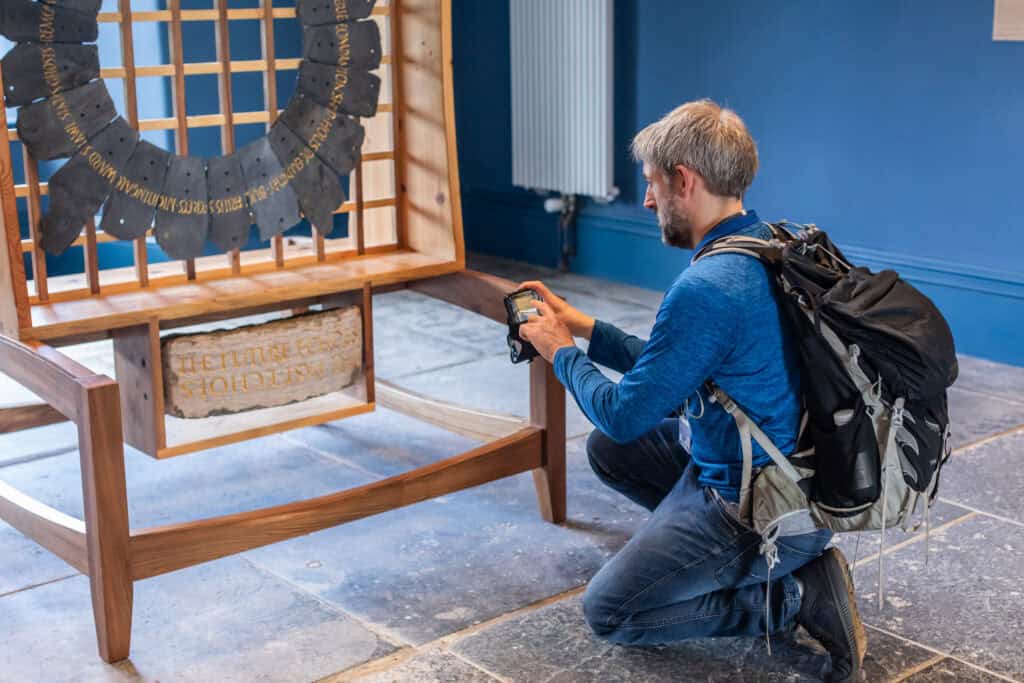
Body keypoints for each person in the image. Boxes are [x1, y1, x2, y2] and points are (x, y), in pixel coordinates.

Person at [518, 100, 866, 682]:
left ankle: (792, 596)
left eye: (653, 184)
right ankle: (757, 566)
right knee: (608, 454)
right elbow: (674, 374)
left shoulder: (707, 287)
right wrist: (581, 325)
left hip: (759, 505)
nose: (649, 200)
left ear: (684, 179)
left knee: (611, 612)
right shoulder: (774, 244)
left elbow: (622, 414)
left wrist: (559, 351)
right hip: (798, 472)